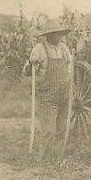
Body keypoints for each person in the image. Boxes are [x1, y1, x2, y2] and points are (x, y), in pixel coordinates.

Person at [23, 18, 73, 161]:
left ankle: (58, 157)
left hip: (63, 94)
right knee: (49, 131)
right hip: (47, 96)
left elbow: (69, 67)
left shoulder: (63, 48)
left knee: (61, 129)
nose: (58, 36)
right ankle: (45, 160)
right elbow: (27, 71)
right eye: (55, 34)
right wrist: (30, 65)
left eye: (59, 34)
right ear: (48, 35)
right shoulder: (39, 49)